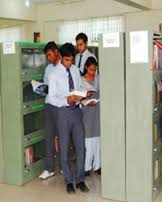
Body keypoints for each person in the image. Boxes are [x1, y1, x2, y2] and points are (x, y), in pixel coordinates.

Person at [46, 43, 91, 194]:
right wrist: (67, 100)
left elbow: (78, 87)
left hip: (77, 112)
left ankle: (80, 180)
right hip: (63, 114)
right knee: (64, 150)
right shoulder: (54, 74)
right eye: (66, 60)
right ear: (60, 57)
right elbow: (51, 98)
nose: (69, 63)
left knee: (81, 148)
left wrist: (85, 95)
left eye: (71, 60)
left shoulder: (75, 70)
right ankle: (68, 182)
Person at [39, 41, 61, 180]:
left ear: (56, 52)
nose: (48, 58)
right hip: (49, 106)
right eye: (47, 56)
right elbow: (46, 86)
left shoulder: (64, 67)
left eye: (50, 55)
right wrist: (41, 90)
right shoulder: (48, 69)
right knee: (49, 138)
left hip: (61, 107)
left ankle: (64, 167)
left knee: (63, 138)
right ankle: (49, 169)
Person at [81, 57, 101, 177]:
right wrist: (86, 100)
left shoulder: (99, 79)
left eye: (94, 70)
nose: (93, 72)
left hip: (98, 111)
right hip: (87, 112)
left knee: (98, 139)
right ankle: (86, 167)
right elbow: (78, 96)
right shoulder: (81, 81)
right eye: (90, 70)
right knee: (88, 140)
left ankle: (97, 166)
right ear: (86, 68)